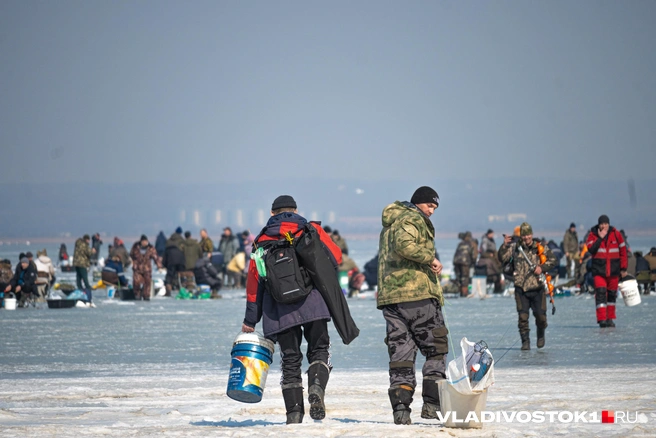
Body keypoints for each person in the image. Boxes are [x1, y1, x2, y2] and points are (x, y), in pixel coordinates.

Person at [241, 195, 343, 424]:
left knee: (290, 359)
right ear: (296, 210)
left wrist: (250, 319)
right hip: (313, 301)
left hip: (279, 309)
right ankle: (316, 385)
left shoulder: (261, 240)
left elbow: (253, 282)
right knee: (319, 350)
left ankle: (294, 415)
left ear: (272, 213)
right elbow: (336, 257)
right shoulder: (310, 229)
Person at [377, 186, 446, 425]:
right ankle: (431, 404)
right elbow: (404, 245)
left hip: (392, 297)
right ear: (419, 203)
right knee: (436, 347)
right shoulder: (411, 218)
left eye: (434, 208)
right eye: (430, 206)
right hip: (417, 295)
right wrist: (431, 258)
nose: (431, 212)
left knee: (401, 355)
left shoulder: (392, 221)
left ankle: (401, 409)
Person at [499, 222, 557, 350]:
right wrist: (504, 246)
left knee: (541, 317)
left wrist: (541, 268)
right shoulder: (515, 247)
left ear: (532, 234)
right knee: (523, 318)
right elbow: (502, 258)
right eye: (523, 235)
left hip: (537, 288)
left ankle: (540, 335)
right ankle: (525, 342)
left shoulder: (539, 247)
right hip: (521, 288)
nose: (526, 238)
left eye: (528, 235)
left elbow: (553, 260)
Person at [586, 215, 628, 328]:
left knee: (611, 295)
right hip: (599, 271)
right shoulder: (592, 235)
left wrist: (623, 268)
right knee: (600, 294)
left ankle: (610, 318)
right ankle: (601, 319)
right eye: (601, 224)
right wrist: (599, 238)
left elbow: (623, 251)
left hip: (613, 271)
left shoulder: (616, 234)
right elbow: (591, 249)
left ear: (608, 224)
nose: (604, 226)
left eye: (605, 223)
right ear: (598, 225)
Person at [130, 235, 162, 301]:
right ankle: (137, 295)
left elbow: (156, 257)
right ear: (141, 241)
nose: (145, 243)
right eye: (143, 241)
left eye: (146, 241)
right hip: (137, 269)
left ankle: (146, 296)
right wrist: (131, 263)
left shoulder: (151, 248)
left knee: (147, 283)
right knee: (136, 283)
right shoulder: (135, 247)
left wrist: (159, 266)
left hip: (147, 269)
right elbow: (131, 256)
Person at [73, 234, 95, 303]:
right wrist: (93, 251)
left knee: (78, 277)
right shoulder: (84, 245)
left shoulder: (78, 243)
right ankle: (88, 291)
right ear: (86, 239)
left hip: (76, 263)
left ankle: (79, 290)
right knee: (84, 277)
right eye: (88, 240)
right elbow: (88, 253)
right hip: (82, 263)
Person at [453, 231, 476, 297]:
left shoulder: (460, 243)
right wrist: (473, 263)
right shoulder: (471, 244)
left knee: (459, 278)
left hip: (456, 262)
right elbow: (473, 255)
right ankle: (464, 294)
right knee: (465, 278)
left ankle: (460, 292)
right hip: (465, 262)